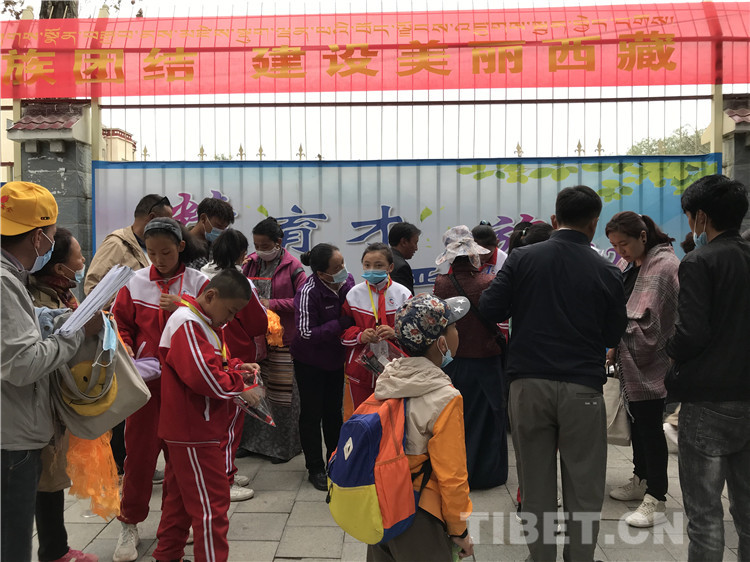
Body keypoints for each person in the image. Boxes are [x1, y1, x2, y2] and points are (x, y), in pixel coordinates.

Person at [480, 185, 627, 562]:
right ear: (594, 224)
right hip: (583, 389)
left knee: (535, 482)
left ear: (554, 219)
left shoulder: (523, 258)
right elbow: (613, 334)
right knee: (584, 484)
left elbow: (490, 307)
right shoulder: (608, 270)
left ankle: (541, 555)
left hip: (528, 384)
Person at [1, 181, 102, 562]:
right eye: (51, 234)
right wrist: (75, 334)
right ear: (39, 237)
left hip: (11, 427)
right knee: (12, 543)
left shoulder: (10, 276)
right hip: (11, 436)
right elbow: (22, 363)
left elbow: (19, 326)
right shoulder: (4, 282)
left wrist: (58, 318)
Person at [111, 218, 210, 562]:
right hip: (146, 388)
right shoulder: (135, 282)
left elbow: (216, 325)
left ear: (181, 246)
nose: (159, 259)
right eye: (152, 253)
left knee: (180, 461)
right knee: (138, 457)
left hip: (185, 387)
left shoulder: (199, 282)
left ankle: (177, 525)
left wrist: (184, 305)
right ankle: (129, 522)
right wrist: (127, 350)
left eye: (166, 252)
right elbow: (120, 324)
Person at [152, 269, 264, 562]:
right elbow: (204, 377)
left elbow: (214, 363)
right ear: (211, 295)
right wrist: (242, 387)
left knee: (178, 502)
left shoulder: (202, 321)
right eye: (231, 310)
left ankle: (167, 555)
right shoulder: (188, 323)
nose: (231, 318)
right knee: (212, 506)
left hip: (193, 428)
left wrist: (237, 367)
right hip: (194, 431)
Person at [665, 175, 750, 561]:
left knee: (705, 516)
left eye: (689, 216)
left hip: (709, 400)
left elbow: (691, 334)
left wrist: (671, 352)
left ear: (701, 217)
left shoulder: (700, 261)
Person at [367, 294, 474, 562]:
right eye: (454, 327)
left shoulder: (389, 379)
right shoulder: (445, 398)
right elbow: (452, 475)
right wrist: (459, 529)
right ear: (441, 343)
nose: (458, 333)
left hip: (380, 504)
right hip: (419, 513)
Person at [84, 193, 173, 477]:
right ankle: (123, 464)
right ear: (151, 218)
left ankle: (133, 462)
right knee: (124, 405)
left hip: (142, 342)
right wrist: (126, 300)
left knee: (138, 403)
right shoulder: (117, 243)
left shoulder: (145, 247)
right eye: (167, 220)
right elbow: (93, 285)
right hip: (118, 334)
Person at [27, 228, 98, 562]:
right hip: (41, 407)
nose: (83, 263)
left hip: (51, 406)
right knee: (48, 479)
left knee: (51, 477)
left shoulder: (59, 295)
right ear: (59, 268)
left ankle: (56, 548)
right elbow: (48, 354)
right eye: (79, 257)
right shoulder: (38, 302)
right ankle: (54, 551)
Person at [605, 212, 680, 527]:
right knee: (637, 424)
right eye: (614, 245)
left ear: (643, 236)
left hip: (654, 361)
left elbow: (658, 322)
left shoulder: (665, 266)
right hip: (630, 359)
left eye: (624, 243)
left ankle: (656, 498)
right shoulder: (633, 264)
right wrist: (614, 344)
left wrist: (617, 332)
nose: (619, 250)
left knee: (650, 428)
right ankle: (641, 479)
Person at [433, 226, 508, 490]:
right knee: (488, 416)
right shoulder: (488, 282)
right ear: (474, 256)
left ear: (451, 258)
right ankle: (486, 473)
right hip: (486, 360)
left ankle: (456, 470)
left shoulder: (441, 284)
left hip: (453, 361)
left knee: (456, 417)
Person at [201, 229, 268, 501]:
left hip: (216, 354)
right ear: (242, 254)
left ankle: (224, 471)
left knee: (219, 422)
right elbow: (258, 323)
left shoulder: (201, 277)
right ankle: (224, 481)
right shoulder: (240, 284)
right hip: (233, 358)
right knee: (230, 425)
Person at [238, 217, 306, 463]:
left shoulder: (293, 266)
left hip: (282, 341)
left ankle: (281, 448)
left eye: (264, 245)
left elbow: (301, 300)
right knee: (254, 390)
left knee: (281, 396)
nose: (259, 250)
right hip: (255, 339)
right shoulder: (250, 264)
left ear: (278, 242)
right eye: (256, 245)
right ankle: (250, 443)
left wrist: (271, 303)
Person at [290, 243, 355, 490]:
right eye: (336, 267)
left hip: (336, 360)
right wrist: (340, 324)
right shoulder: (308, 292)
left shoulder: (347, 282)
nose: (343, 270)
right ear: (321, 273)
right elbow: (306, 333)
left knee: (333, 413)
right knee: (311, 414)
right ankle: (315, 467)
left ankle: (334, 462)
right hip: (310, 362)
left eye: (342, 263)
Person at [341, 242, 412, 416]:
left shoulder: (403, 294)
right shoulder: (353, 294)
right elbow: (342, 331)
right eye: (367, 265)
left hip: (395, 370)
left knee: (393, 419)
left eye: (378, 265)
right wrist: (360, 335)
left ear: (390, 267)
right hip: (361, 370)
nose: (371, 269)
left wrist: (396, 332)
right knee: (362, 419)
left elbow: (413, 331)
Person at [84, 194, 173, 295]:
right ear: (152, 218)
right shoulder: (116, 244)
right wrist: (128, 301)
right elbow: (93, 288)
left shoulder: (155, 248)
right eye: (166, 223)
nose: (169, 228)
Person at [186, 197, 235, 270]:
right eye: (218, 226)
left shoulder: (219, 248)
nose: (221, 231)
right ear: (203, 218)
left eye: (224, 227)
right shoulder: (182, 245)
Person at [388, 222, 421, 294]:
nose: (416, 248)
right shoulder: (401, 267)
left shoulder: (385, 259)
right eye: (415, 243)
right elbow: (406, 298)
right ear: (404, 242)